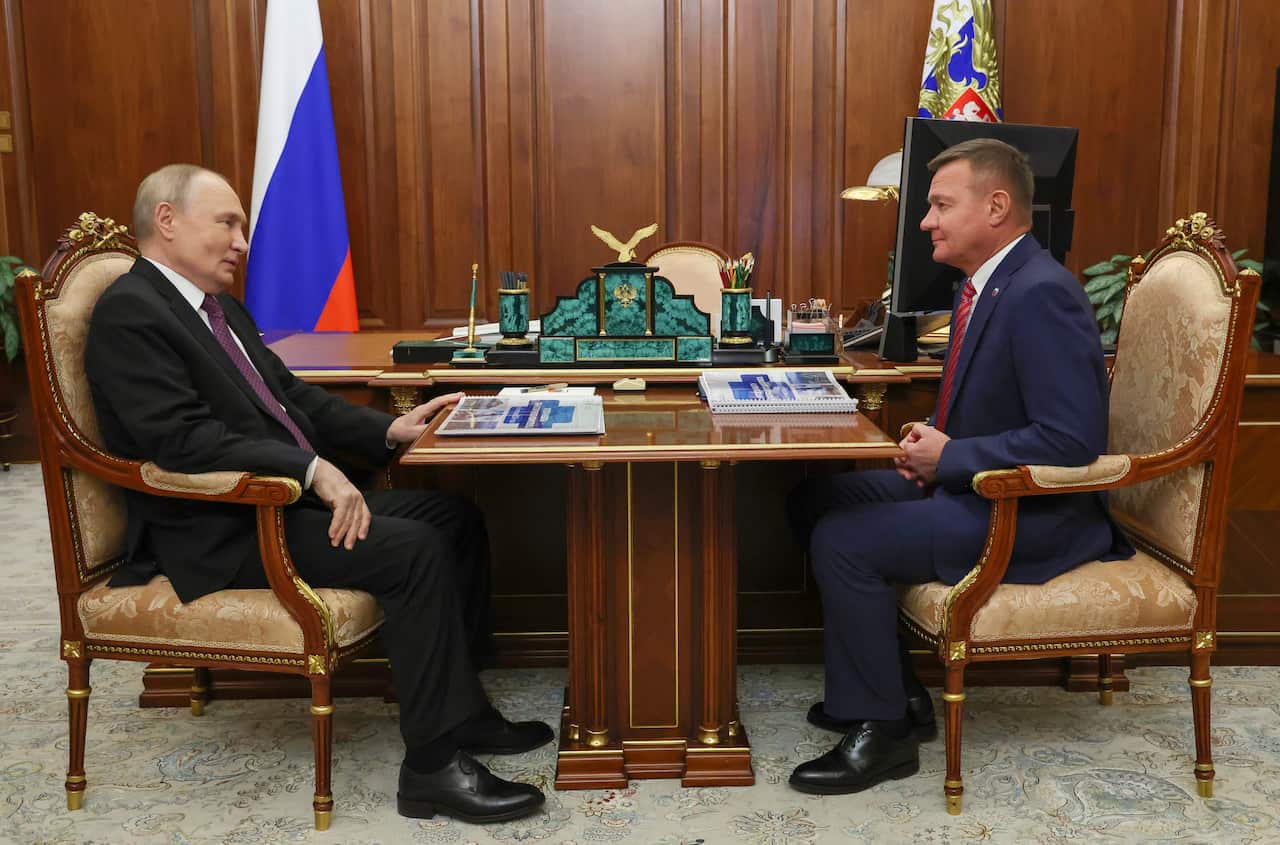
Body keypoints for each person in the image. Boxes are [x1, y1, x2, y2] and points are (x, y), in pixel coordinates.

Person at [85, 164, 551, 823]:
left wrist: (389, 428)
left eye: (241, 225)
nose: (242, 241)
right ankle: (430, 769)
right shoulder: (131, 313)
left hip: (278, 503)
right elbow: (183, 441)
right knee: (414, 549)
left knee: (454, 518)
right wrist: (312, 471)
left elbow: (291, 397)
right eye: (227, 222)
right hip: (223, 525)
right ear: (166, 221)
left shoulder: (217, 309)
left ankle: (463, 712)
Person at [786, 138, 1133, 795]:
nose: (924, 221)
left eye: (941, 204)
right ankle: (900, 693)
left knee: (843, 541)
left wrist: (953, 457)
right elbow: (1001, 411)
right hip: (978, 487)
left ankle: (883, 730)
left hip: (1033, 511)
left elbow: (1071, 441)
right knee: (815, 501)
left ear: (996, 206)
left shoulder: (1040, 293)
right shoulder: (988, 284)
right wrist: (940, 451)